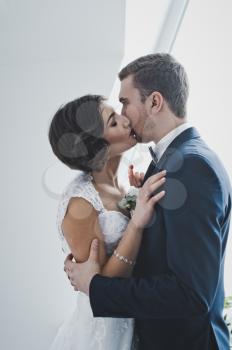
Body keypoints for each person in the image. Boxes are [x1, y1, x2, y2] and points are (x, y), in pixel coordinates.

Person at [64, 54, 232, 350]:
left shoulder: (191, 167)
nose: (124, 114)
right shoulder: (174, 161)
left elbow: (191, 294)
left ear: (155, 102)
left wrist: (95, 287)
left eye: (126, 102)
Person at [48, 94, 166, 349]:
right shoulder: (80, 204)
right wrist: (136, 223)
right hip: (103, 333)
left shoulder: (123, 186)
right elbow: (101, 287)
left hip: (137, 318)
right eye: (113, 123)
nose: (126, 121)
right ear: (95, 148)